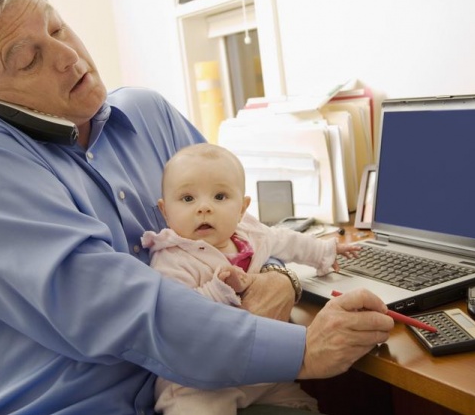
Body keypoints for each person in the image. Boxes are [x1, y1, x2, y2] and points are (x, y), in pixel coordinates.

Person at [0, 0, 394, 414]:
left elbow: (239, 231)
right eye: (28, 59)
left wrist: (280, 278)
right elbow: (117, 311)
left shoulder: (147, 114)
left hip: (197, 386)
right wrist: (302, 350)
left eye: (56, 29)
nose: (68, 57)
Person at [143, 143, 361, 414]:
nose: (204, 208)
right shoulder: (171, 257)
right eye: (188, 199)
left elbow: (285, 240)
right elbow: (177, 318)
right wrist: (218, 288)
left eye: (220, 197)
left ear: (242, 208)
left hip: (260, 374)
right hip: (198, 384)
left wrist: (324, 250)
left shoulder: (251, 235)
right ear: (165, 211)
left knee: (304, 405)